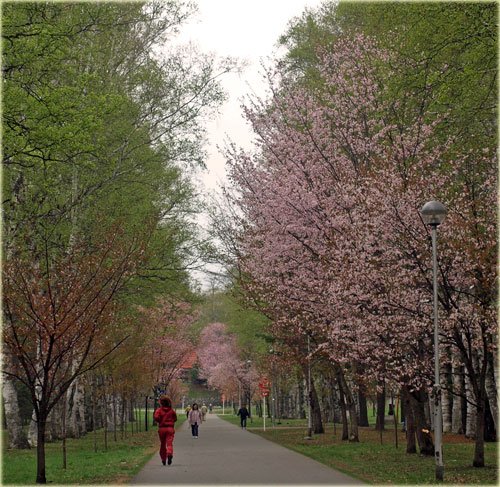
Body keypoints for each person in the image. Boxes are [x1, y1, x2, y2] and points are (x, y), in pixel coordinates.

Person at [153, 395, 177, 466]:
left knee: (162, 444)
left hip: (162, 428)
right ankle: (169, 453)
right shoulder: (171, 411)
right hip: (170, 428)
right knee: (169, 443)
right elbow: (175, 418)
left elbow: (156, 418)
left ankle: (163, 459)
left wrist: (160, 420)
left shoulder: (159, 410)